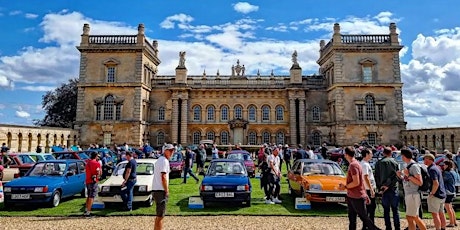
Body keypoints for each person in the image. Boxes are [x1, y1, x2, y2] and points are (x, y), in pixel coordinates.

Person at [339, 146, 380, 230]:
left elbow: (356, 182)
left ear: (346, 155)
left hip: (356, 196)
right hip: (353, 195)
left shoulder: (353, 165)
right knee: (352, 218)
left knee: (364, 218)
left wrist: (345, 186)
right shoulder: (355, 164)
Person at [397, 148, 426, 230]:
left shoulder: (414, 166)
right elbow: (408, 180)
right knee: (411, 217)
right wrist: (401, 176)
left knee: (413, 217)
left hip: (413, 194)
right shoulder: (408, 165)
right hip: (409, 193)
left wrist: (408, 175)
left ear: (403, 156)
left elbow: (420, 182)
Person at [374, 147, 400, 230]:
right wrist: (389, 185)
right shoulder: (395, 162)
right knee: (395, 210)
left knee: (386, 210)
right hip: (393, 188)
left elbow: (376, 176)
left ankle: (388, 227)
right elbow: (397, 176)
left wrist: (380, 188)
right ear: (391, 153)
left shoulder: (379, 163)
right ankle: (397, 227)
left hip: (383, 189)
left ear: (383, 153)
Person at [153, 144, 174, 230]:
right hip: (160, 190)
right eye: (170, 150)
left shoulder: (160, 160)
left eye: (173, 151)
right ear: (165, 151)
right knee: (161, 216)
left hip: (157, 190)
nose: (172, 152)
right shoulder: (164, 161)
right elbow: (163, 176)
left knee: (159, 216)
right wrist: (167, 190)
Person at [423, 153, 447, 230]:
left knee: (435, 214)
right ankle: (443, 228)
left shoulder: (432, 169)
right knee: (441, 213)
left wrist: (432, 193)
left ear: (429, 160)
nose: (424, 160)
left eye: (425, 159)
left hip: (436, 194)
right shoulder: (436, 168)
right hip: (442, 193)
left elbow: (435, 183)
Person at [360, 149, 377, 229]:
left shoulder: (366, 164)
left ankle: (369, 226)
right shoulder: (364, 165)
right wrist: (371, 189)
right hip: (367, 189)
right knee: (370, 209)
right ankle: (369, 226)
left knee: (370, 208)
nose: (372, 155)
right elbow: (366, 177)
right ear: (366, 154)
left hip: (368, 188)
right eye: (371, 154)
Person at [84, 151, 102, 217]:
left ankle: (86, 210)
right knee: (92, 197)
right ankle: (88, 212)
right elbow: (98, 173)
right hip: (93, 181)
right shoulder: (97, 163)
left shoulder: (88, 162)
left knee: (88, 196)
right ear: (96, 156)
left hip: (88, 180)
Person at [440, 160, 457, 228]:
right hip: (452, 191)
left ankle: (451, 222)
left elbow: (442, 181)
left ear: (447, 165)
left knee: (447, 207)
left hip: (448, 191)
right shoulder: (453, 172)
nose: (443, 166)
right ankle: (454, 221)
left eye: (444, 165)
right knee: (450, 207)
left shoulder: (446, 173)